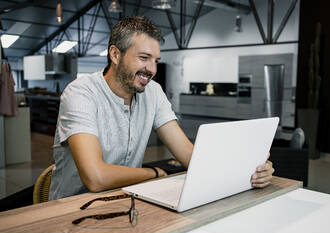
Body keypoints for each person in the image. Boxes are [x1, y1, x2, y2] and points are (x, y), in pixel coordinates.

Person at [49, 16, 274, 200]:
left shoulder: (153, 92)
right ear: (115, 54)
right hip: (71, 209)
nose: (152, 69)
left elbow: (188, 155)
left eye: (156, 60)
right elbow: (95, 177)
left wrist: (248, 171)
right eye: (144, 58)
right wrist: (153, 173)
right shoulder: (81, 93)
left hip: (127, 201)